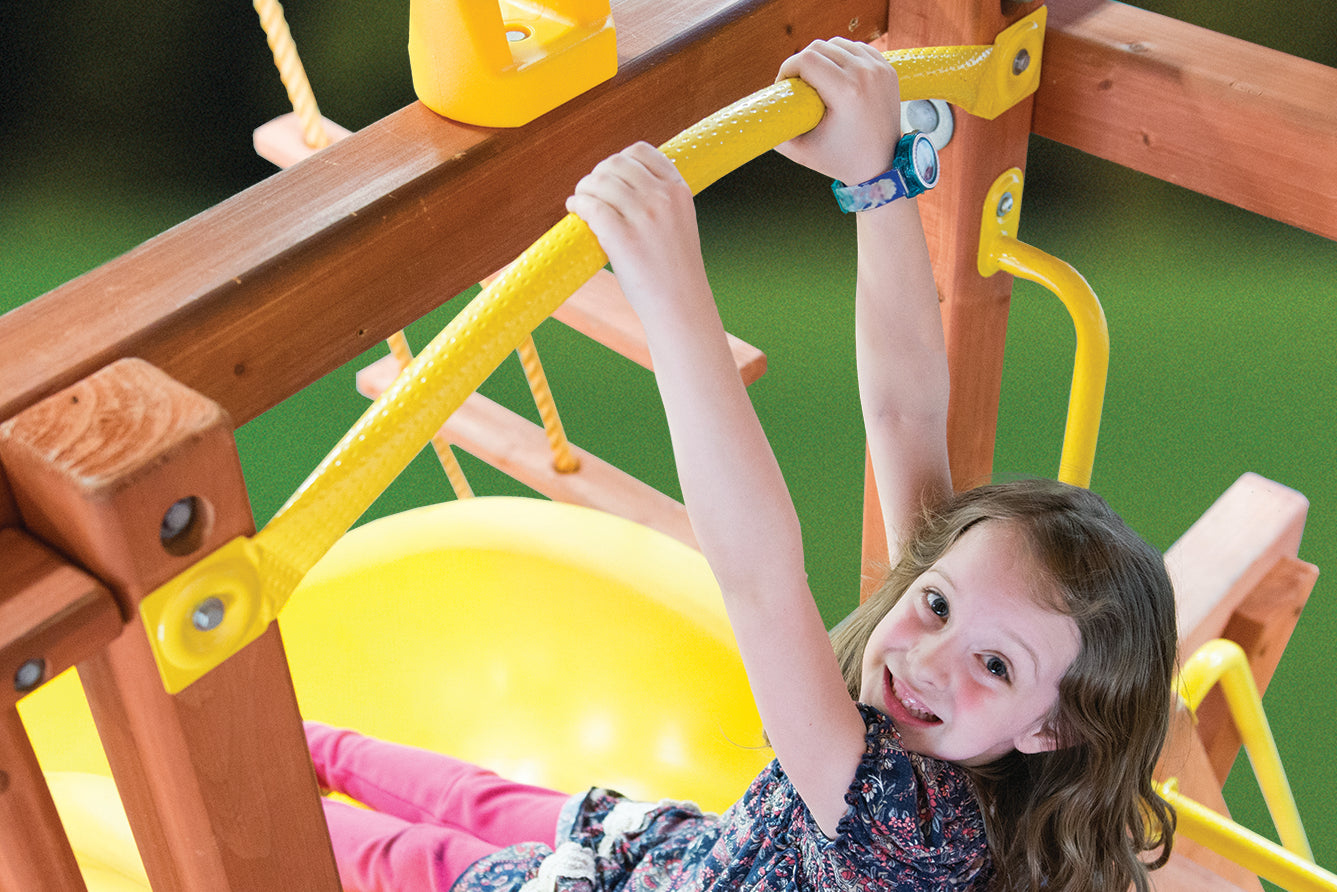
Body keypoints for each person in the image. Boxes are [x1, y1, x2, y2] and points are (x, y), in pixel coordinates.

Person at [305, 38, 1179, 892]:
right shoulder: (967, 749)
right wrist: (876, 178)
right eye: (938, 603)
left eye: (996, 667)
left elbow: (761, 580)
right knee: (456, 793)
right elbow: (906, 411)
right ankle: (300, 748)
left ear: (1052, 727)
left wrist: (671, 287)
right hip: (673, 849)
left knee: (395, 859)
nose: (927, 657)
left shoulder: (907, 834)